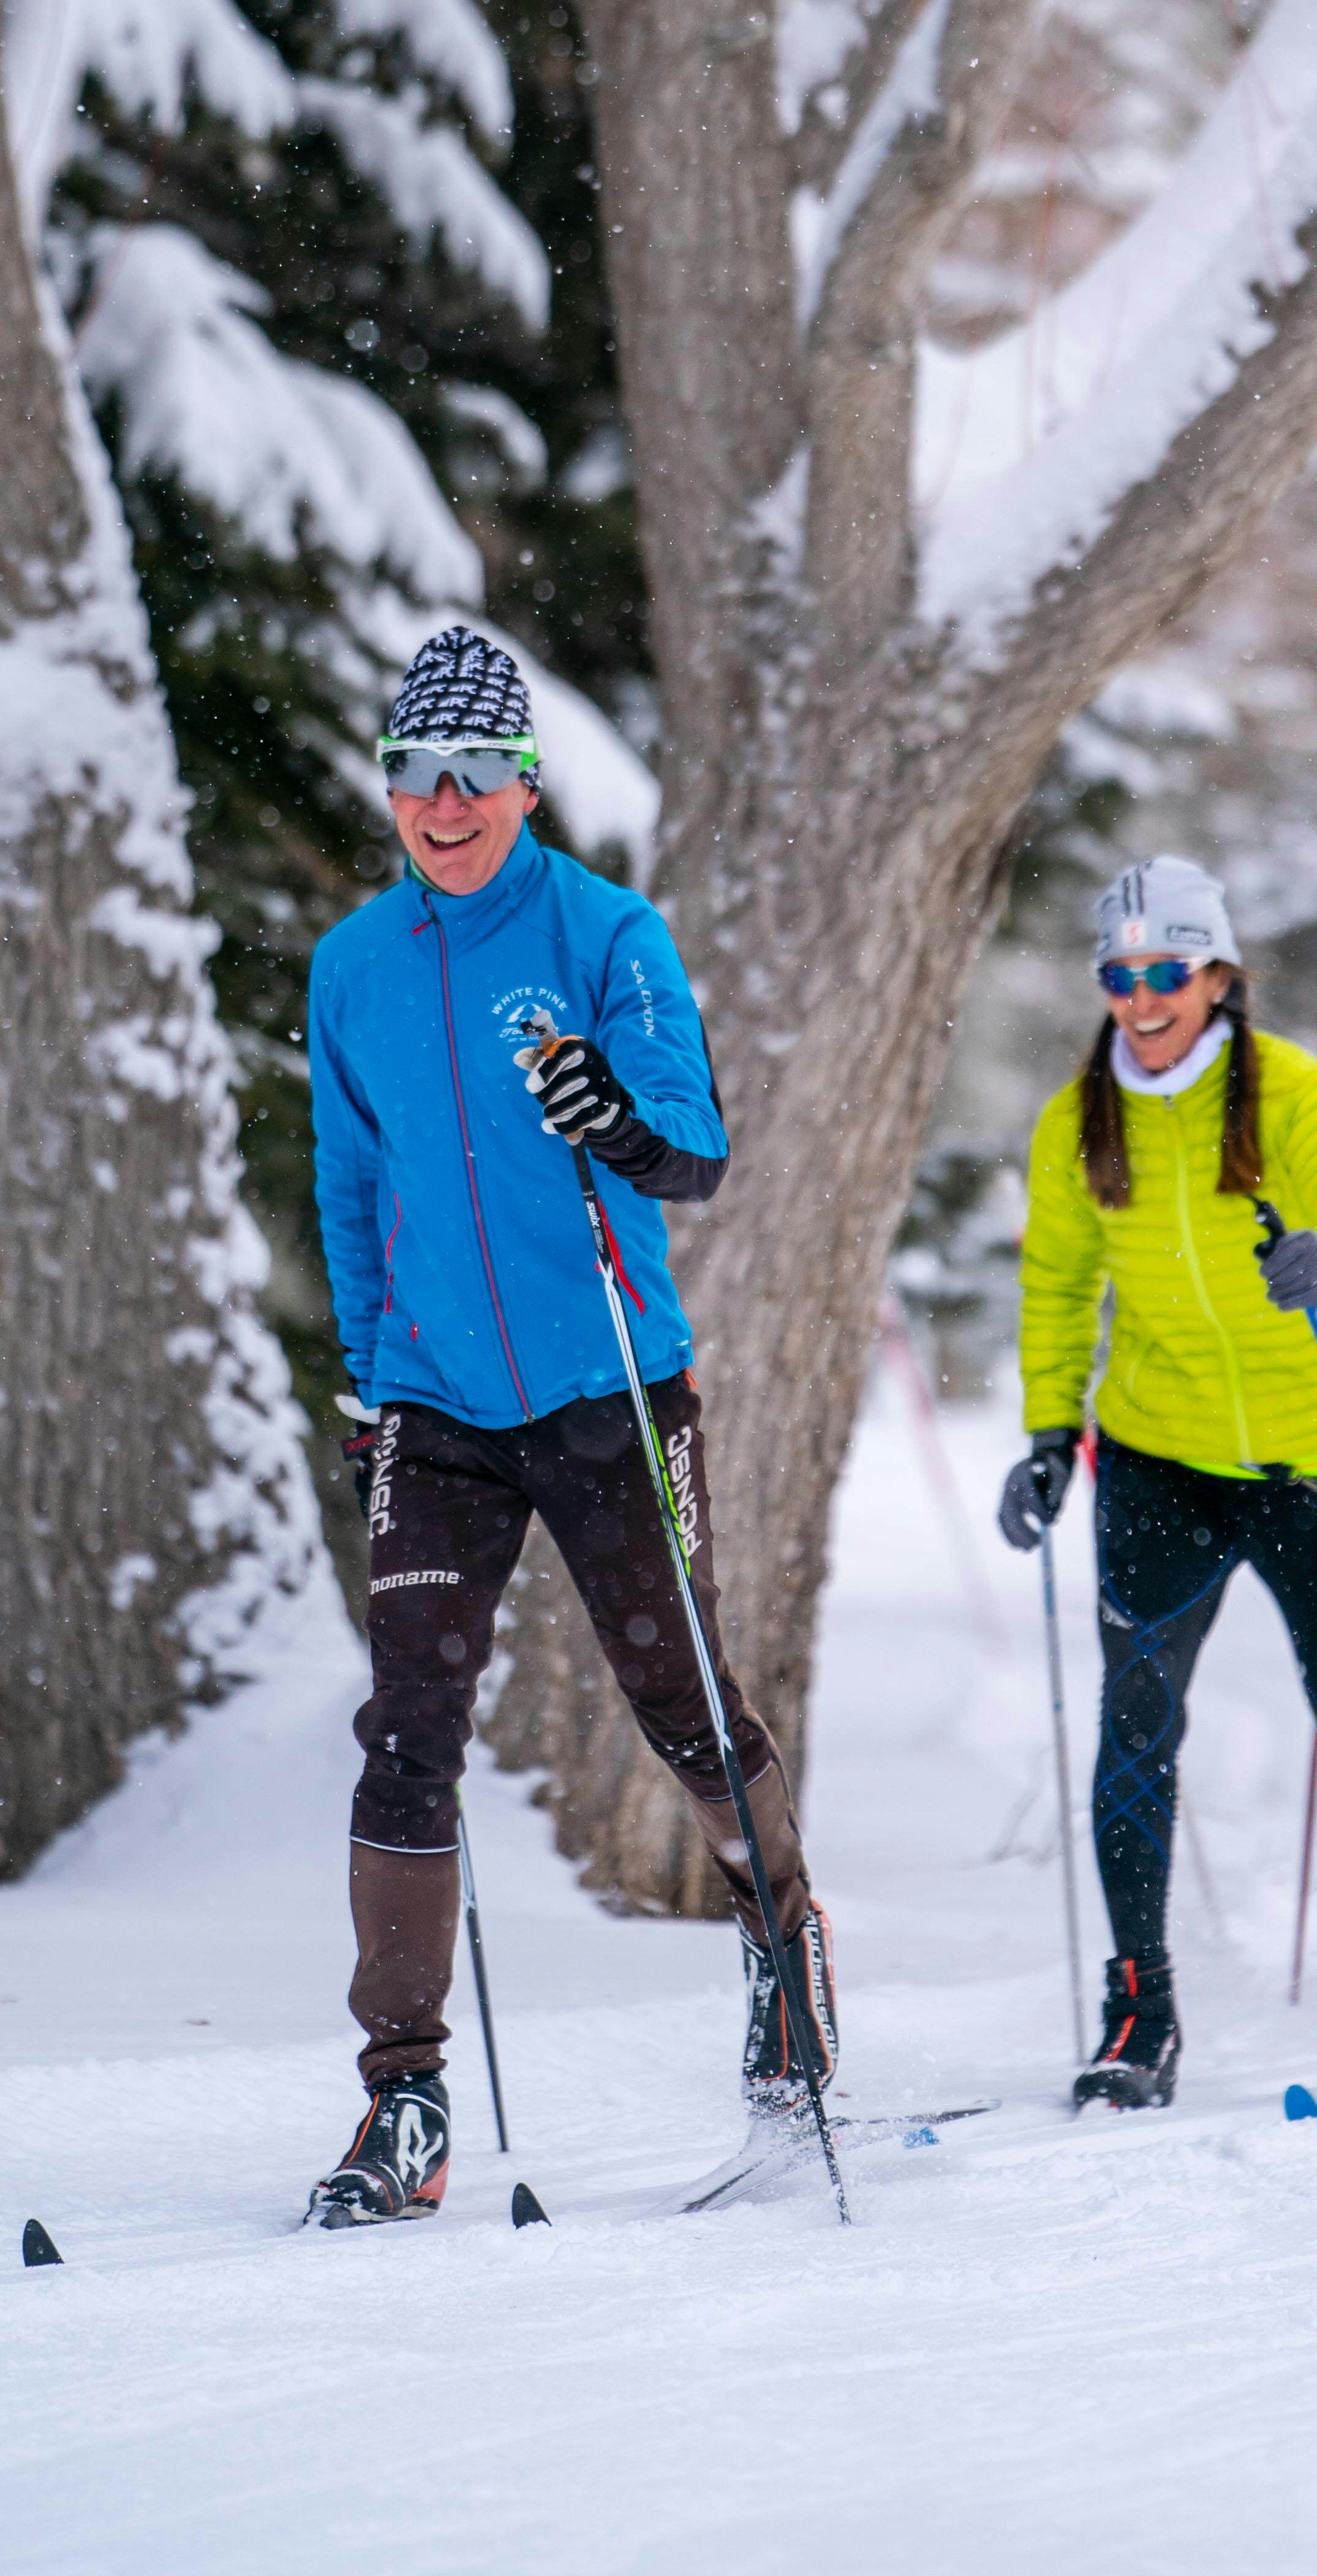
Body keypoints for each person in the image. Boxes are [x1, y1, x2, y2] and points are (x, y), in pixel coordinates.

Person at [300, 626, 831, 2226]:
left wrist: (618, 1108)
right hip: (437, 1407)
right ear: (390, 785)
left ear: (526, 782)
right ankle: (404, 2102)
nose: (444, 802)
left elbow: (693, 1146)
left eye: (475, 772)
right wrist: (368, 1372)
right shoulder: (354, 965)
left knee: (677, 1702)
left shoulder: (607, 934)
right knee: (406, 1730)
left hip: (609, 1385)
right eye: (416, 772)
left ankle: (783, 1959)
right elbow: (348, 1180)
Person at [999, 855, 1317, 2106]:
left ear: (1219, 975)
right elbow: (1057, 1285)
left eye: (1168, 971)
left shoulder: (1288, 1097)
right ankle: (1137, 2012)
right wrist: (1051, 1435)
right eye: (1120, 975)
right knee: (1133, 1724)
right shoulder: (1078, 1121)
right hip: (1160, 1457)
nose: (1142, 996)